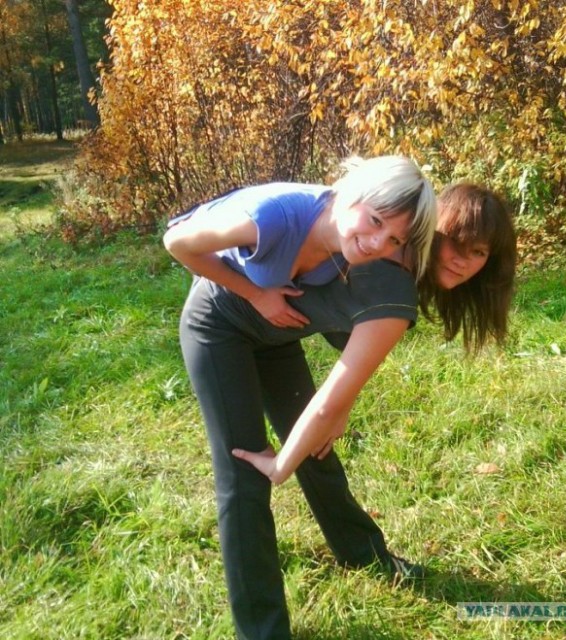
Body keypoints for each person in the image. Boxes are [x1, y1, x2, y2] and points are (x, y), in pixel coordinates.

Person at [165, 177, 516, 640]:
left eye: (479, 252)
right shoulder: (382, 262)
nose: (462, 260)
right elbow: (330, 395)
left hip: (277, 334)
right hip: (221, 325)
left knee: (318, 451)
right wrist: (281, 463)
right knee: (244, 476)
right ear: (431, 231)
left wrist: (333, 412)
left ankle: (365, 555)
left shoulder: (393, 267)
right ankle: (263, 631)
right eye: (456, 242)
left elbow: (344, 371)